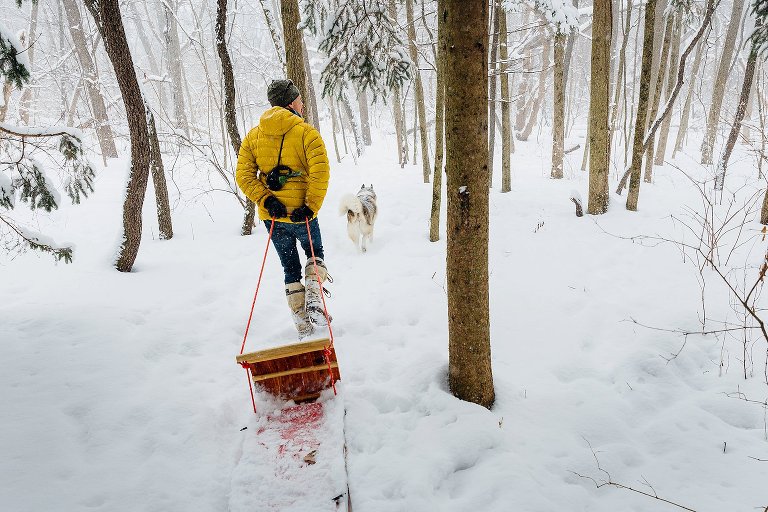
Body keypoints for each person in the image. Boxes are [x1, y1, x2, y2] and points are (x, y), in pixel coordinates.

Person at [236, 79, 330, 339]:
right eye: (299, 100)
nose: (302, 104)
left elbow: (243, 175)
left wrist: (266, 200)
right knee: (315, 254)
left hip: (274, 218)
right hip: (302, 214)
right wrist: (310, 206)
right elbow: (320, 173)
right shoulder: (307, 133)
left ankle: (302, 322)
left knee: (290, 267)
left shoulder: (254, 136)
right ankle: (314, 300)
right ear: (291, 102)